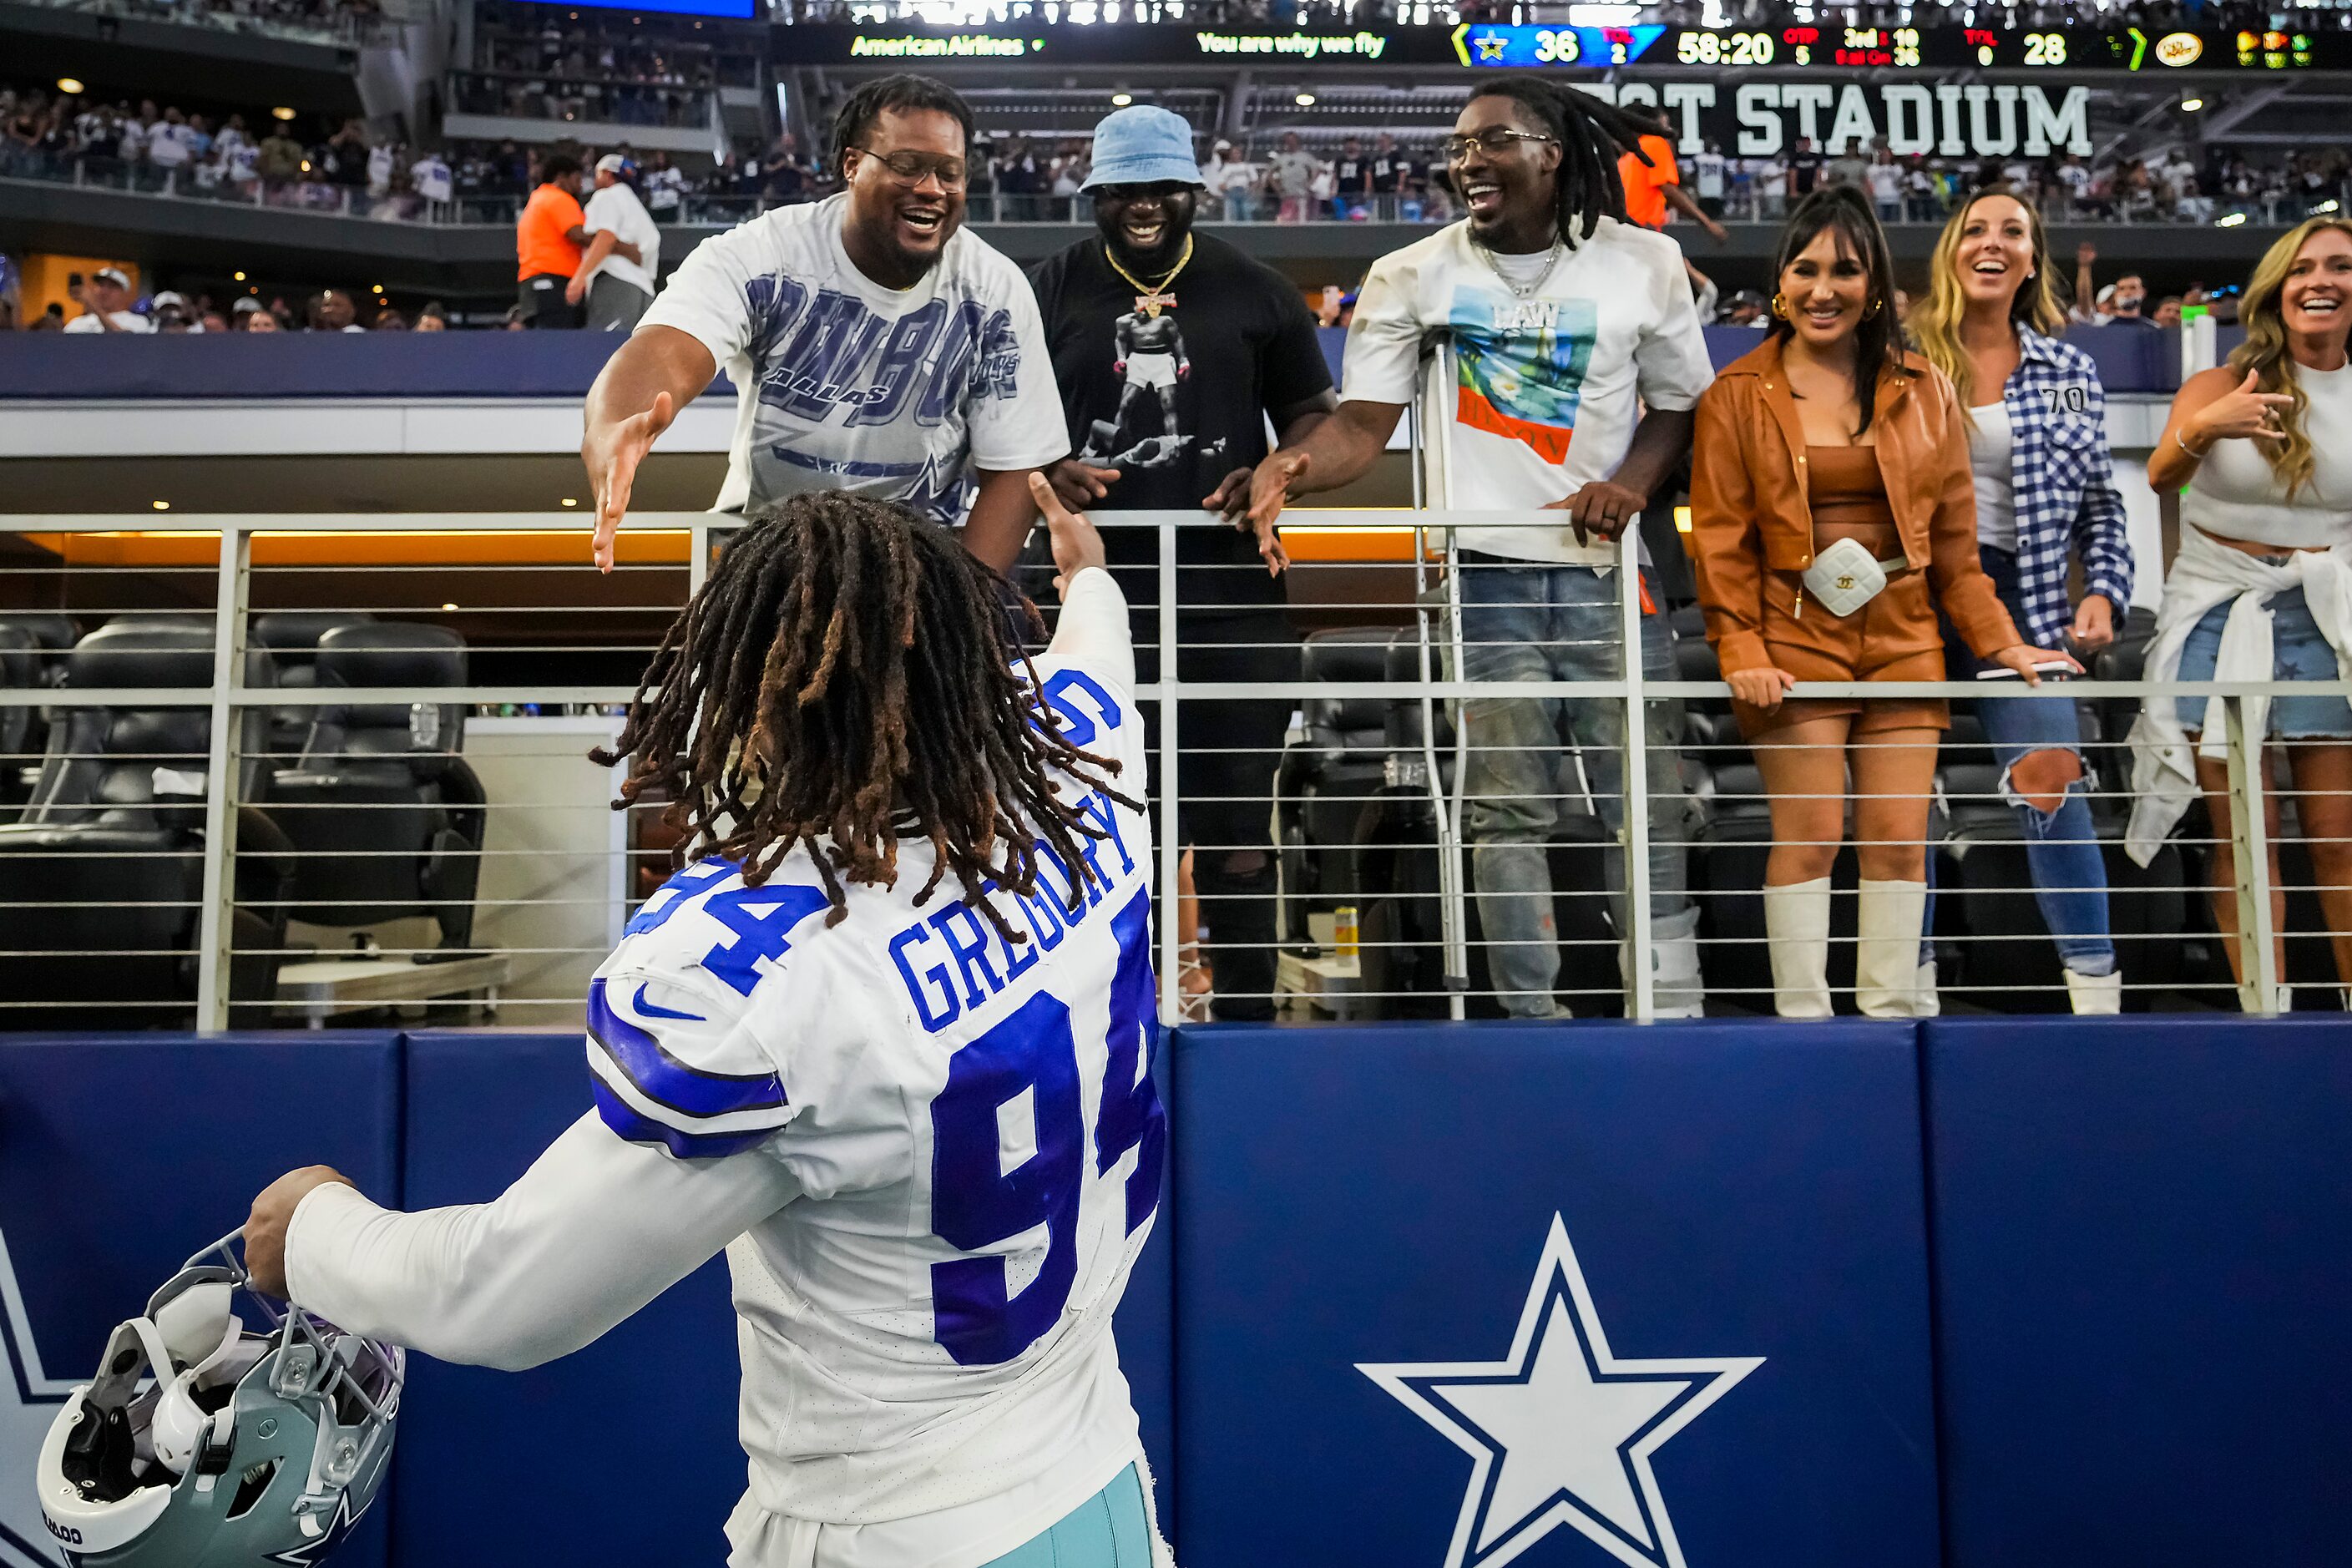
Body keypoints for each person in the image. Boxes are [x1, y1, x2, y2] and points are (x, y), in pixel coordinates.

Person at [240, 480, 1172, 1568]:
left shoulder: (790, 976)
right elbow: (1091, 660)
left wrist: (314, 1230)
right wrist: (1091, 572)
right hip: (1102, 1487)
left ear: (758, 696)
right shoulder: (1088, 774)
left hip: (897, 1530)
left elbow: (502, 1297)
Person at [1245, 76, 1713, 1018]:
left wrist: (1631, 484)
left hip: (1609, 569)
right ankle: (1531, 1019)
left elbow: (1680, 406)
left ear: (1550, 151)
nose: (1466, 162)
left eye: (1490, 142)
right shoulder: (1415, 272)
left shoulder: (1644, 262)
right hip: (1482, 574)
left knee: (1648, 798)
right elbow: (1364, 427)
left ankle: (1671, 1000)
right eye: (1458, 148)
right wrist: (1290, 468)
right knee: (1505, 805)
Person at [1690, 189, 2074, 1019]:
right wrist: (1741, 648)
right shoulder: (1734, 394)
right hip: (1792, 637)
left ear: (1874, 286)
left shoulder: (1926, 388)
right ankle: (1806, 1028)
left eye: (1846, 270)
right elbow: (1721, 542)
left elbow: (1958, 551)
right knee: (1813, 835)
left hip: (1904, 635)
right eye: (1806, 269)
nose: (1824, 288)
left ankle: (1892, 1034)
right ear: (1780, 282)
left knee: (1901, 843)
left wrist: (2003, 642)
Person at [1029, 104, 1337, 1020]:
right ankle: (1105, 1021)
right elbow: (985, 421)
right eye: (1123, 190)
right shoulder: (1047, 289)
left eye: (1162, 188)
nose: (1144, 207)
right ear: (1096, 194)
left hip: (1227, 603)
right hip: (1083, 601)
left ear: (1194, 190)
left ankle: (1245, 1019)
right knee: (1098, 824)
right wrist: (1047, 467)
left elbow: (1317, 416)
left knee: (1238, 824)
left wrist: (1281, 467)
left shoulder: (1255, 289)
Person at [582, 74, 1067, 574]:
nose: (931, 189)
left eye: (950, 172)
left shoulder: (994, 290)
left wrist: (962, 607)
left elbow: (1014, 470)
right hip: (766, 558)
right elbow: (667, 347)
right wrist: (613, 426)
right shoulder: (767, 253)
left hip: (919, 566)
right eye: (907, 166)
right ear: (852, 165)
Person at [1909, 185, 2136, 1013]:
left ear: (2033, 258)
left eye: (2014, 231)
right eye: (1976, 229)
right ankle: (1914, 991)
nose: (1993, 242)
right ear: (1953, 252)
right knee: (1906, 799)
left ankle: (2094, 992)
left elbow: (2101, 504)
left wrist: (2105, 592)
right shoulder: (1899, 358)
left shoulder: (2069, 369)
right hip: (1911, 599)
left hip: (2027, 597)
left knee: (2052, 780)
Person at [2132, 216, 2352, 1010]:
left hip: (2324, 620)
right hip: (2219, 613)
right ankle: (2268, 1008)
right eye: (2301, 269)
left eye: (2338, 267)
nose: (2319, 281)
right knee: (2243, 836)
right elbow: (2159, 475)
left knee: (2337, 838)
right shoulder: (2220, 384)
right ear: (2276, 290)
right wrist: (2205, 427)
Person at [568, 152, 661, 331]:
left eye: (597, 174)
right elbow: (643, 254)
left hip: (614, 282)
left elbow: (606, 236)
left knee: (605, 351)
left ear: (607, 174)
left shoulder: (607, 196)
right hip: (645, 292)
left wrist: (579, 278)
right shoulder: (640, 210)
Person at [516, 153, 593, 328]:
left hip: (532, 286)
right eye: (577, 179)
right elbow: (578, 235)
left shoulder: (537, 199)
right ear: (561, 177)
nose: (580, 186)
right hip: (554, 283)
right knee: (561, 347)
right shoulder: (558, 198)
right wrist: (612, 242)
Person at [63, 266, 151, 332]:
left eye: (112, 287)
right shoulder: (77, 323)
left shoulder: (138, 321)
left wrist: (96, 308)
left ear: (124, 294)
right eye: (101, 285)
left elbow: (124, 344)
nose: (104, 291)